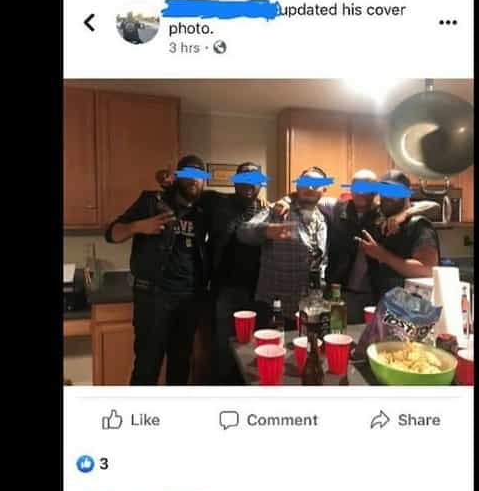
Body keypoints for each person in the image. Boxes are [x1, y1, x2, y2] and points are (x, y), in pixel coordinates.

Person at [274, 169, 439, 322]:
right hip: (336, 292)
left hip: (374, 296)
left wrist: (405, 213)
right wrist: (286, 200)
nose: (362, 192)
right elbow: (309, 195)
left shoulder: (384, 214)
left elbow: (433, 206)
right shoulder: (335, 208)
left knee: (364, 334)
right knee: (335, 334)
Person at [104, 155, 210, 385]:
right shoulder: (152, 202)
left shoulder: (203, 210)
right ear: (178, 177)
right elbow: (111, 234)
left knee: (180, 367)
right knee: (147, 367)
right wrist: (138, 226)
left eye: (199, 176)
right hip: (154, 297)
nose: (193, 180)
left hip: (189, 299)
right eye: (188, 174)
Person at [237, 166, 329, 325]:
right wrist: (266, 230)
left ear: (324, 189)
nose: (310, 187)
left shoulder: (323, 218)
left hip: (308, 307)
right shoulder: (277, 210)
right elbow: (243, 232)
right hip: (274, 306)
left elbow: (322, 260)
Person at [204, 161, 267, 385]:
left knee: (256, 351)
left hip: (259, 292)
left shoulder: (267, 211)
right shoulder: (217, 203)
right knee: (225, 350)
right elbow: (187, 192)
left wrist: (287, 200)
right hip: (226, 290)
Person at [355, 170, 440, 300]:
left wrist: (381, 254)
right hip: (382, 302)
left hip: (411, 306)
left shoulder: (419, 225)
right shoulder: (380, 218)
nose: (387, 196)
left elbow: (427, 269)